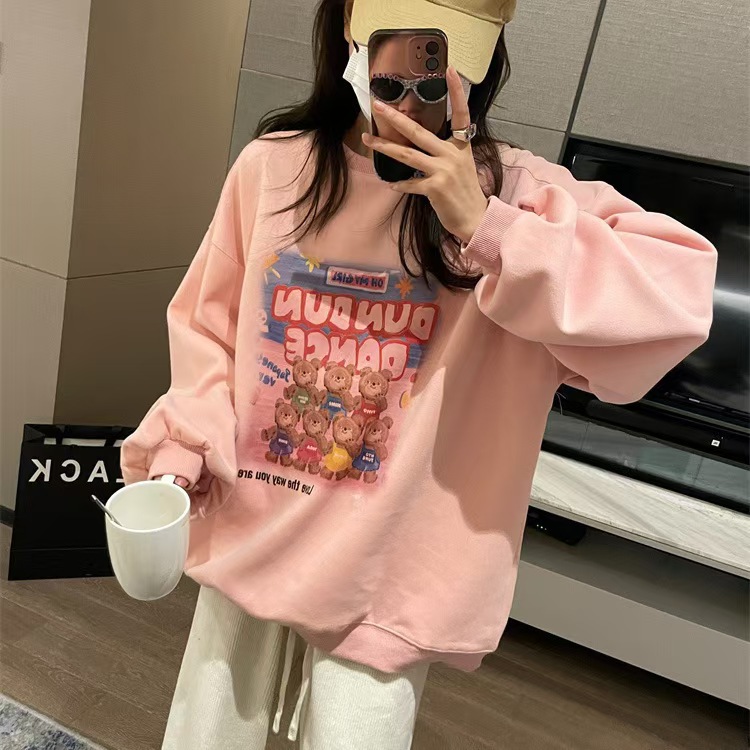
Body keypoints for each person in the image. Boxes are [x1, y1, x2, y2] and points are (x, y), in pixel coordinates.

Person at [121, 0, 717, 748]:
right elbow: (210, 328)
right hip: (255, 523)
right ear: (348, 27)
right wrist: (182, 452)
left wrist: (488, 226)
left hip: (391, 572)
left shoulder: (519, 195)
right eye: (392, 47)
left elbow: (680, 303)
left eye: (441, 61)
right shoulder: (274, 168)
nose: (410, 89)